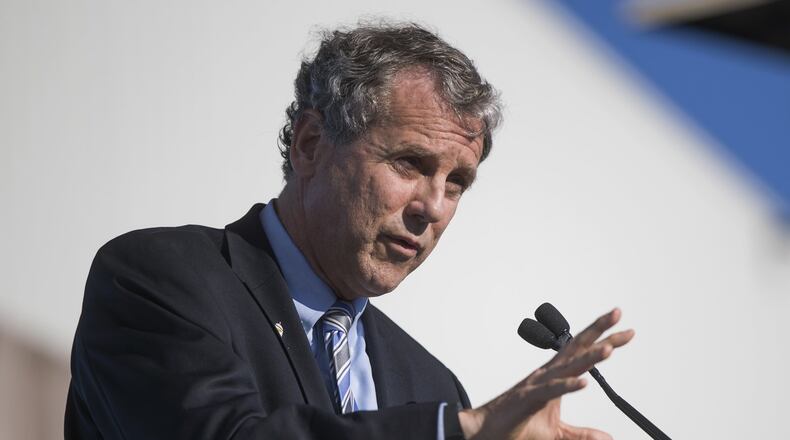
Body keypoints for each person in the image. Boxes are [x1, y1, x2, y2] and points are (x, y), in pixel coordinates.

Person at [65, 22, 634, 440]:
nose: (432, 207)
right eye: (410, 163)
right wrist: (461, 431)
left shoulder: (429, 385)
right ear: (312, 144)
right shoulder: (160, 277)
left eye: (457, 182)